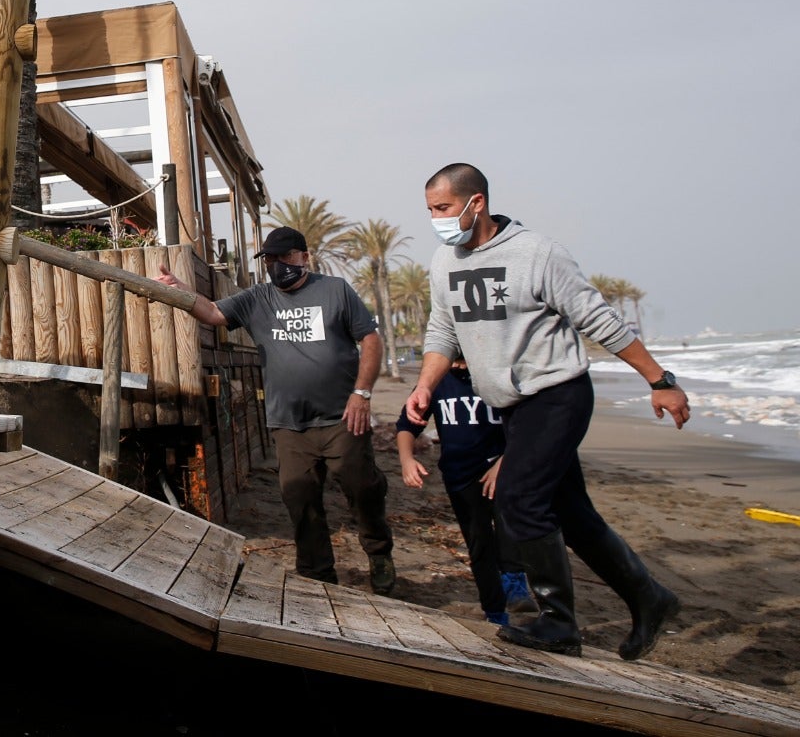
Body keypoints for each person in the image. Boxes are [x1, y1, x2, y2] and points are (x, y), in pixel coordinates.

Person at [405, 162, 691, 660]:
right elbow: (442, 331)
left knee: (518, 501)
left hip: (558, 395)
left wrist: (659, 381)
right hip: (514, 408)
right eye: (430, 210)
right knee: (571, 515)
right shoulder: (444, 261)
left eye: (444, 208)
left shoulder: (537, 253)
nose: (437, 220)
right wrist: (424, 386)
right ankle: (650, 598)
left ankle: (558, 623)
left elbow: (598, 318)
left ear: (477, 203)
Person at [157, 226, 395, 594]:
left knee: (361, 487)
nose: (277, 265)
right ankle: (318, 578)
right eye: (270, 259)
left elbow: (370, 339)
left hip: (342, 417)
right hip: (289, 424)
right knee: (299, 498)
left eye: (285, 256)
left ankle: (378, 553)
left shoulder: (335, 291)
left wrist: (361, 393)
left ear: (305, 257)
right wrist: (179, 290)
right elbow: (214, 312)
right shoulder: (258, 298)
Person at [395, 358, 535, 625]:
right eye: (453, 359)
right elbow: (406, 426)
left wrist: (504, 463)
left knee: (510, 530)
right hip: (460, 477)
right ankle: (495, 612)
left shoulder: (499, 374)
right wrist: (406, 460)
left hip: (502, 469)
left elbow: (527, 426)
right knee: (478, 543)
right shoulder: (434, 383)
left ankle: (515, 584)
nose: (459, 366)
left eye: (463, 359)